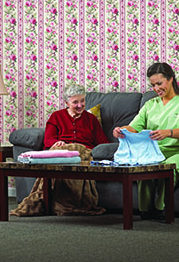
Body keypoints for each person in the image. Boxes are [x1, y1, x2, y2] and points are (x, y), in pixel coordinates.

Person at [113, 62, 179, 220]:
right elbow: (134, 127)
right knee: (145, 168)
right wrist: (121, 130)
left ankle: (161, 208)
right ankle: (146, 211)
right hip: (156, 152)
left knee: (169, 168)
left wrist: (168, 133)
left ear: (170, 79)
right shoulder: (150, 105)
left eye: (159, 83)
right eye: (153, 85)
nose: (156, 89)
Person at [10, 84, 109, 217]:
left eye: (82, 101)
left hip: (82, 153)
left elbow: (103, 142)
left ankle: (64, 203)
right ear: (66, 103)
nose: (80, 105)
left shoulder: (91, 119)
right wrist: (57, 143)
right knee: (58, 154)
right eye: (75, 102)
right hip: (61, 153)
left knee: (75, 151)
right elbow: (48, 140)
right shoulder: (57, 116)